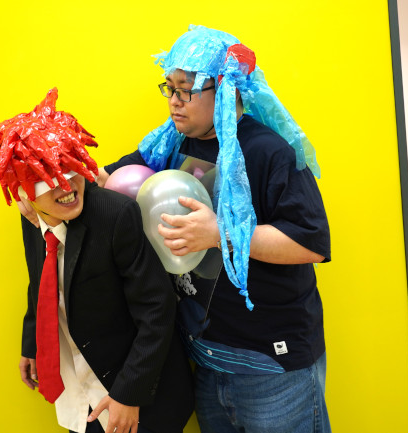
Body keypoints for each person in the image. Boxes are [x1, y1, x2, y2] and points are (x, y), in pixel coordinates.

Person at [97, 25, 332, 433]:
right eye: (169, 88)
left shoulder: (268, 151)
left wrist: (219, 233)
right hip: (205, 361)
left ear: (224, 87)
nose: (173, 101)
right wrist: (48, 183)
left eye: (185, 90)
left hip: (272, 367)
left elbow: (310, 243)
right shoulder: (171, 143)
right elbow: (107, 181)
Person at [0, 88, 194, 433]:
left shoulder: (115, 215)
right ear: (22, 193)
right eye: (47, 180)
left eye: (69, 169)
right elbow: (41, 279)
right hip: (79, 391)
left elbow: (157, 307)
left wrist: (129, 393)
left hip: (137, 393)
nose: (67, 187)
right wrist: (34, 342)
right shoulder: (31, 216)